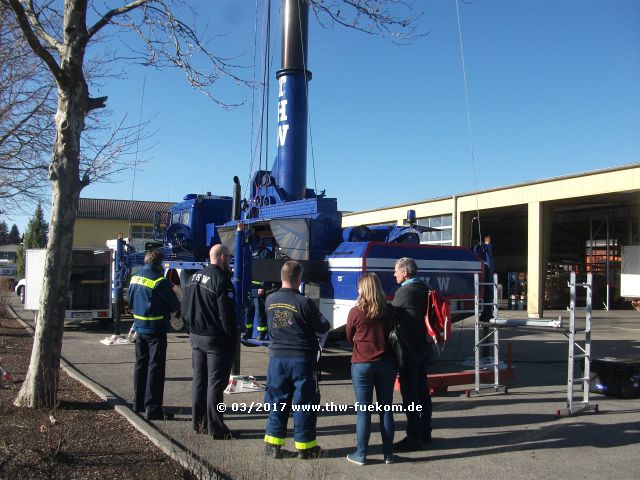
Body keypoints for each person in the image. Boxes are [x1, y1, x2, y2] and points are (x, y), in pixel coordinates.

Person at [263, 260, 330, 459]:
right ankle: (306, 447)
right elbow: (323, 327)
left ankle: (273, 446)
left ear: (282, 277)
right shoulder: (304, 302)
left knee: (277, 401)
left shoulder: (270, 299)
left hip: (277, 359)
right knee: (305, 403)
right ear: (299, 278)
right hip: (301, 359)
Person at [181, 244, 239, 439]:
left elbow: (185, 307)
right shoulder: (222, 280)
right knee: (215, 384)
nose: (230, 260)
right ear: (222, 257)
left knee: (199, 381)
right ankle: (217, 427)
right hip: (215, 339)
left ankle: (199, 423)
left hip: (196, 336)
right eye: (229, 257)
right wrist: (233, 336)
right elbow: (227, 315)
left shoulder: (192, 278)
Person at [345, 273, 397, 466]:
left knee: (363, 411)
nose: (357, 290)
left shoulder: (356, 312)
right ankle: (388, 454)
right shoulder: (390, 310)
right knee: (386, 409)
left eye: (359, 287)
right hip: (387, 363)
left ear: (364, 289)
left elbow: (349, 337)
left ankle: (361, 454)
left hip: (362, 364)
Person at [129, 249, 180, 421]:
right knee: (155, 369)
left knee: (140, 365)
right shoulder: (160, 281)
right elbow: (174, 305)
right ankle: (154, 408)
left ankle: (138, 403)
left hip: (140, 328)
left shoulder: (135, 277)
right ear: (159, 264)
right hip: (156, 330)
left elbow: (129, 301)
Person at [392, 257, 432, 451]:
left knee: (409, 395)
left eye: (396, 271)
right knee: (423, 391)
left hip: (409, 351)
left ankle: (414, 436)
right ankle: (426, 432)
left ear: (405, 273)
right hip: (424, 348)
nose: (394, 274)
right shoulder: (425, 288)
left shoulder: (405, 291)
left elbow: (391, 315)